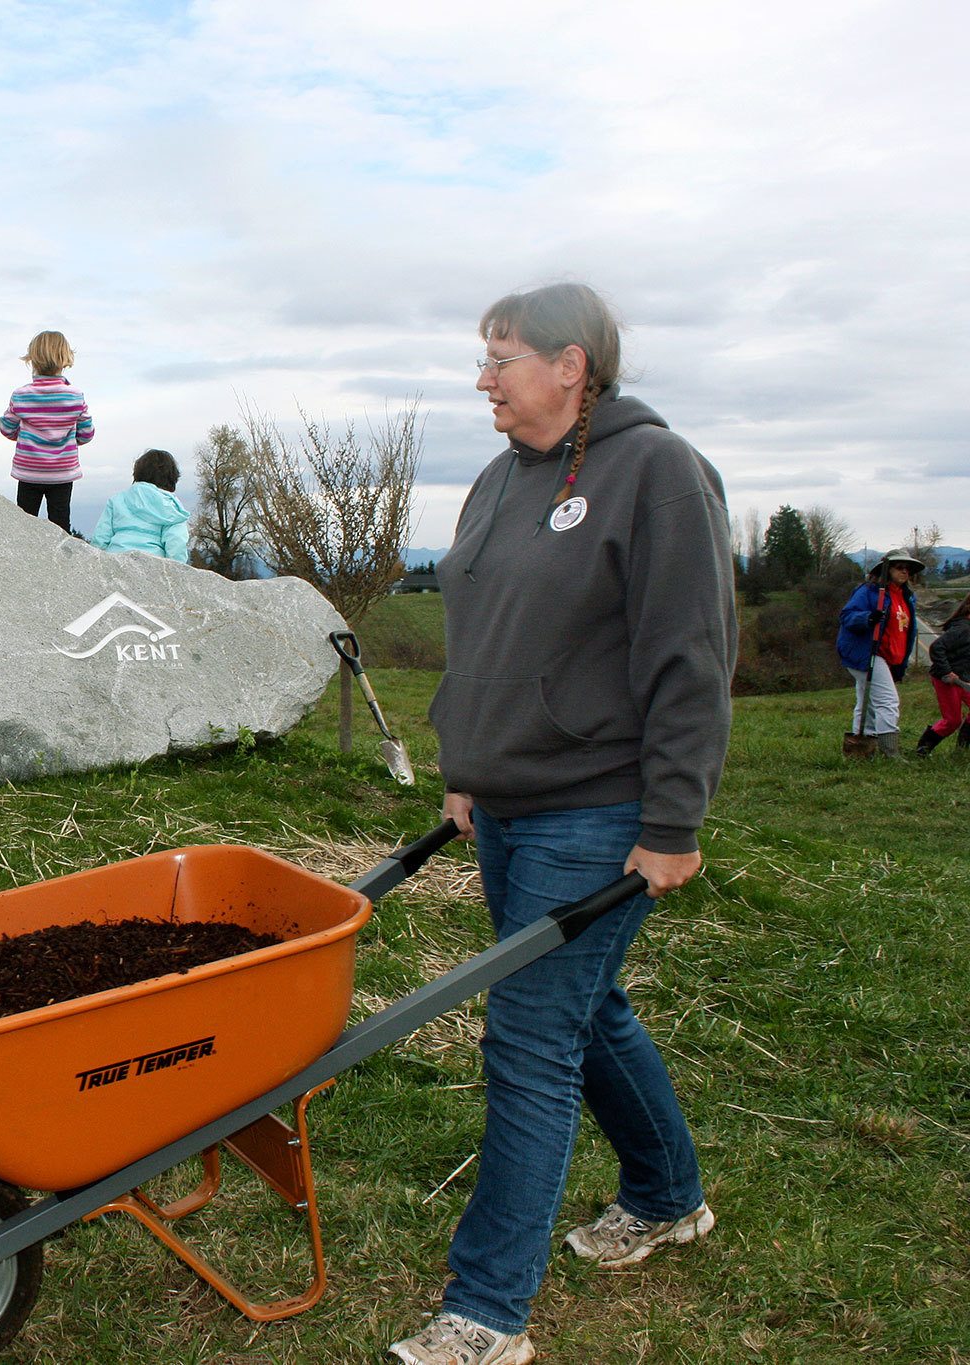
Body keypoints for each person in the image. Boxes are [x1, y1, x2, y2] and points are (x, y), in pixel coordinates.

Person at [392, 282, 736, 1365]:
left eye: (499, 358)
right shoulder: (498, 480)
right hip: (504, 801)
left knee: (529, 1040)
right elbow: (483, 633)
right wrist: (465, 763)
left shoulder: (657, 472)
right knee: (587, 1011)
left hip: (599, 806)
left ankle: (486, 1315)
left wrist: (672, 822)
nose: (482, 379)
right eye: (481, 360)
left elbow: (689, 656)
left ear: (570, 364)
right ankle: (668, 1195)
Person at [0, 330, 93, 532]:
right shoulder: (75, 396)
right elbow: (86, 434)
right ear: (65, 359)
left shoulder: (21, 395)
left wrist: (23, 436)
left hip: (28, 471)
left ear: (32, 359)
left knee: (24, 525)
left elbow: (6, 428)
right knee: (60, 526)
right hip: (62, 473)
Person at [836, 549, 924, 756]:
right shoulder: (869, 592)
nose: (905, 572)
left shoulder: (906, 597)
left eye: (908, 569)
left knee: (867, 704)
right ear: (887, 570)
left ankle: (862, 749)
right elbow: (847, 615)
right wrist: (868, 618)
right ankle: (890, 751)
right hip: (867, 654)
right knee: (888, 701)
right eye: (899, 567)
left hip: (887, 656)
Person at [89, 449, 190, 562]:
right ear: (172, 478)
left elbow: (100, 539)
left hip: (115, 561)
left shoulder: (117, 500)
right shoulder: (172, 508)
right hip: (154, 565)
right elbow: (176, 542)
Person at [914, 595, 970, 756]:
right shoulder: (962, 629)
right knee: (952, 721)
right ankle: (923, 749)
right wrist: (946, 671)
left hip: (964, 678)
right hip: (946, 679)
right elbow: (937, 647)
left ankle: (962, 750)